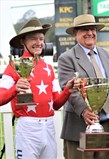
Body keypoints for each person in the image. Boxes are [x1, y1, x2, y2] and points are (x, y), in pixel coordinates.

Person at [0, 18, 78, 159]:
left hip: (48, 126)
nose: (39, 43)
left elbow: (55, 104)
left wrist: (67, 91)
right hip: (27, 127)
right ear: (23, 41)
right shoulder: (13, 65)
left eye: (41, 39)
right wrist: (14, 89)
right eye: (33, 39)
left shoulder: (48, 68)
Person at [58, 14, 109, 159]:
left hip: (107, 124)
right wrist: (84, 111)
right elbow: (69, 89)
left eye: (92, 29)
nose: (90, 33)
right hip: (80, 126)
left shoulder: (108, 55)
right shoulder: (67, 58)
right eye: (84, 30)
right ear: (75, 33)